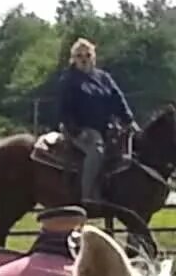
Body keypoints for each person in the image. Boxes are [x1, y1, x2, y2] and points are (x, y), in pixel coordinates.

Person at [55, 38, 136, 205]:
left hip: (106, 127)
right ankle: (88, 195)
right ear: (73, 58)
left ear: (93, 57)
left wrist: (128, 120)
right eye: (79, 55)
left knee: (129, 149)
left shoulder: (103, 77)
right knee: (96, 151)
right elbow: (64, 110)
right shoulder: (68, 80)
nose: (84, 58)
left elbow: (117, 98)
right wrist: (76, 130)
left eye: (87, 54)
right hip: (80, 129)